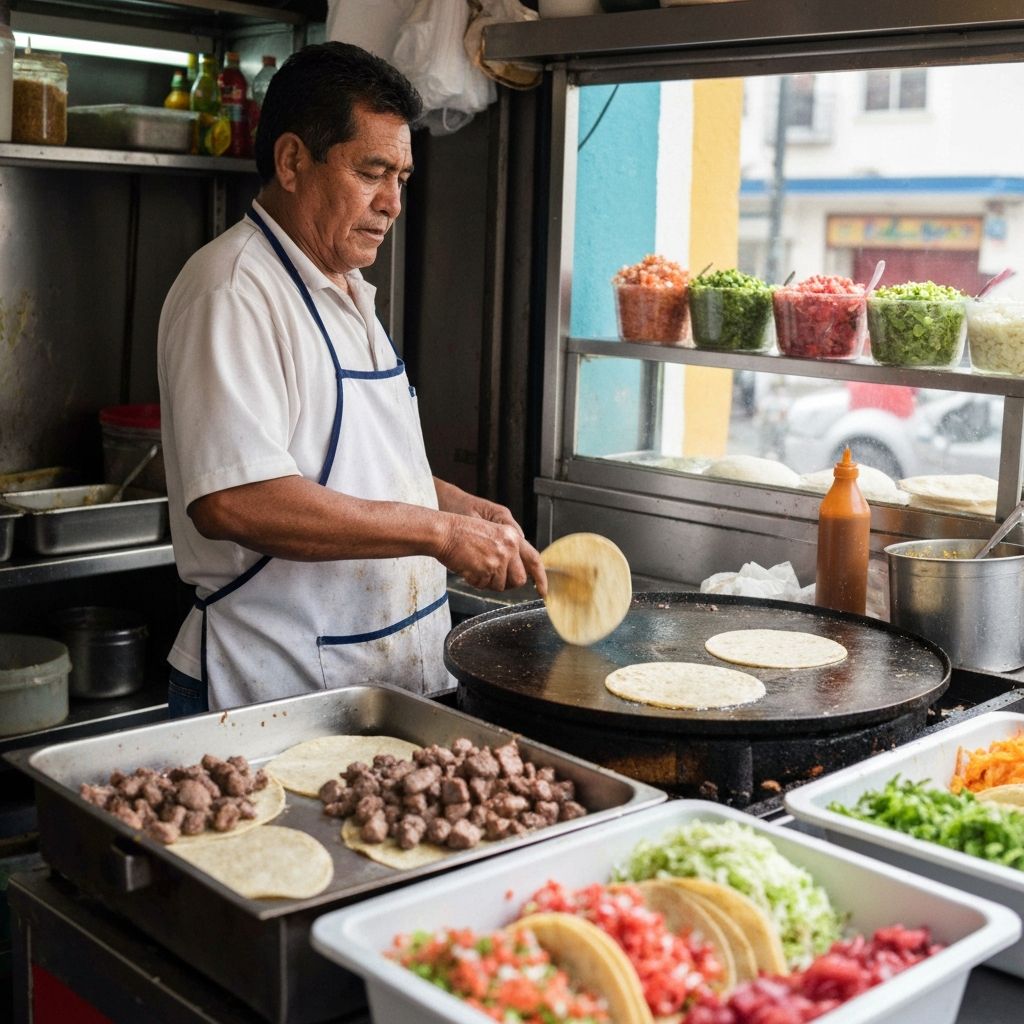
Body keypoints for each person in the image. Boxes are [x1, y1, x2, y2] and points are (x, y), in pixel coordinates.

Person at [157, 42, 546, 716]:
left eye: (402, 177)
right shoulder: (233, 289)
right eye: (372, 172)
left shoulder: (347, 289)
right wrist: (441, 535)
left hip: (382, 684)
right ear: (291, 161)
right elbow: (234, 500)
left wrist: (451, 505)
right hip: (272, 694)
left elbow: (356, 468)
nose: (392, 203)